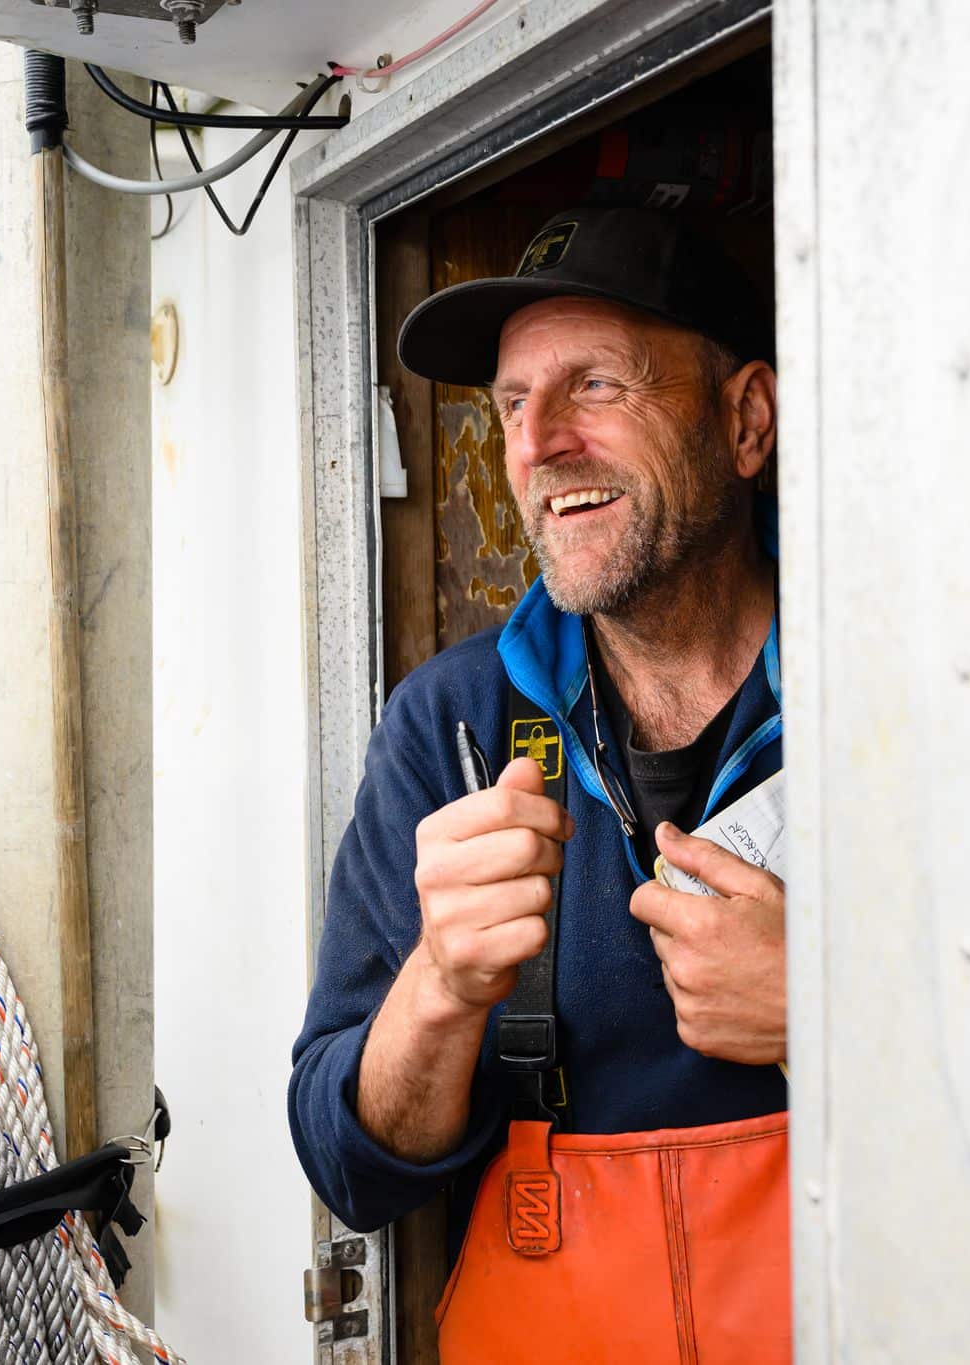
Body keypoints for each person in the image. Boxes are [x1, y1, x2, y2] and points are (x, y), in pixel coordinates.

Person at [288, 206, 790, 1364]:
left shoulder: (907, 691)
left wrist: (829, 1016)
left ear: (744, 419)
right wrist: (443, 986)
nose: (538, 442)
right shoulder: (449, 724)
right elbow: (346, 1167)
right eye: (512, 404)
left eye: (597, 386)